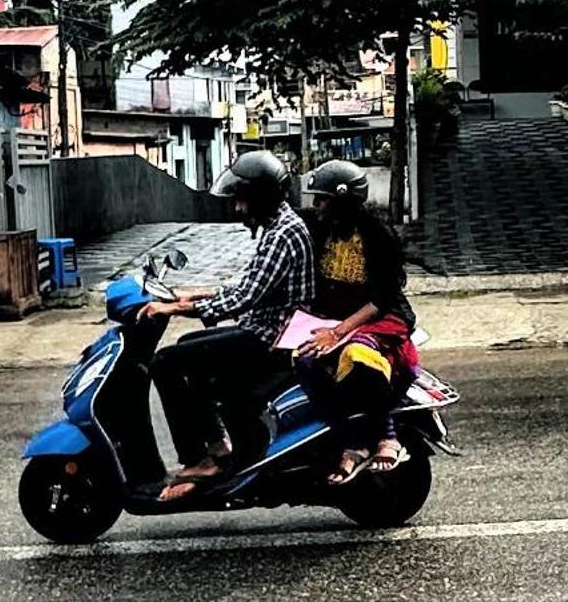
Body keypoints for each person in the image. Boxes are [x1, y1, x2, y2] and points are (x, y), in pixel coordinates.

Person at [142, 147, 314, 498]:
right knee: (184, 349)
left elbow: (244, 298)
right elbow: (246, 283)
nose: (237, 208)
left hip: (272, 339)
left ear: (262, 197)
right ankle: (219, 444)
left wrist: (172, 311)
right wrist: (193, 296)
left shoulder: (284, 233)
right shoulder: (276, 227)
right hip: (263, 329)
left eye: (242, 200)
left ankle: (202, 458)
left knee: (165, 363)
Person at [292, 159, 419, 485]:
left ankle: (387, 433)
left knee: (357, 355)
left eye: (322, 199)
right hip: (334, 318)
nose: (316, 205)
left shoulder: (377, 236)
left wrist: (339, 332)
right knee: (305, 361)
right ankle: (351, 440)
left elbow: (382, 298)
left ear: (343, 200)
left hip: (379, 317)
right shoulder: (320, 229)